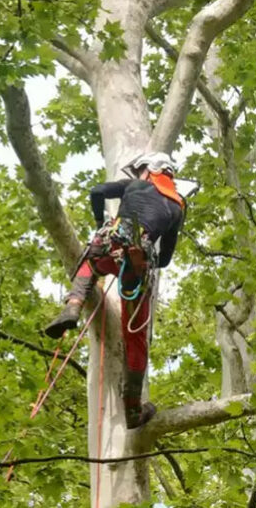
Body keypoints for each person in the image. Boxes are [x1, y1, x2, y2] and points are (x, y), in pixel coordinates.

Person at [43, 151, 186, 428]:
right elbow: (165, 260)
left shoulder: (137, 185)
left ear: (148, 170)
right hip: (137, 264)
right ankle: (132, 409)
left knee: (91, 261)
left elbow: (97, 191)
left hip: (110, 246)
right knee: (135, 336)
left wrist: (100, 223)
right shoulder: (177, 206)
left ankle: (73, 305)